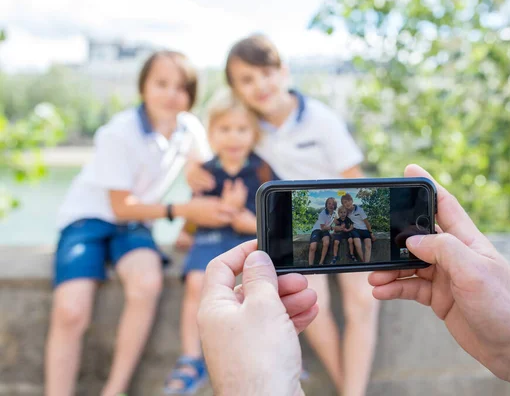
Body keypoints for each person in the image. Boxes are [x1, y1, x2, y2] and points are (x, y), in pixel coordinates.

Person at [196, 164, 510, 396]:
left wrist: (251, 388)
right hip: (330, 237)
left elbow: (362, 227)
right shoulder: (326, 213)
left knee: (356, 241)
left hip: (351, 236)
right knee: (330, 242)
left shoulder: (353, 212)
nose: (343, 203)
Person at [186, 34, 380, 395]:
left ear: (283, 72)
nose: (259, 85)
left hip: (345, 217)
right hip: (304, 232)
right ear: (236, 89)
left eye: (266, 73)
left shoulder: (320, 119)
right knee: (312, 300)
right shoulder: (250, 130)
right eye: (246, 79)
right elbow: (220, 146)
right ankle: (348, 389)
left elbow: (356, 180)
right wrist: (191, 166)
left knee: (363, 300)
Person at [44, 51, 224, 396]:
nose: (171, 94)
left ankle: (114, 390)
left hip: (135, 224)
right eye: (161, 84)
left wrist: (190, 226)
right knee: (70, 309)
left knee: (146, 284)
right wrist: (181, 211)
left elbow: (204, 178)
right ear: (143, 87)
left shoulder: (189, 128)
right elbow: (120, 206)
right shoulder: (119, 131)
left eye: (181, 87)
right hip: (88, 220)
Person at [163, 90, 277, 394]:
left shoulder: (262, 170)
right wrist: (188, 229)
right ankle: (190, 358)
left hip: (247, 238)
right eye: (224, 129)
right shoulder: (206, 172)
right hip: (210, 238)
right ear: (211, 133)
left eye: (241, 129)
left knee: (260, 285)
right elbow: (197, 205)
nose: (233, 137)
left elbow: (275, 217)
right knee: (196, 283)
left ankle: (273, 347)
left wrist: (244, 217)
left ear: (253, 134)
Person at [341, 193, 376, 263]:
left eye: (348, 201)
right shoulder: (346, 212)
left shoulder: (359, 210)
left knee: (368, 246)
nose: (347, 203)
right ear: (343, 205)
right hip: (355, 230)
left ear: (352, 200)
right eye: (345, 202)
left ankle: (367, 263)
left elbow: (367, 223)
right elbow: (340, 217)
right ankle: (364, 263)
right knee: (357, 245)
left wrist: (371, 233)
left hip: (365, 229)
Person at [308, 197, 337, 266]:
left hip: (325, 230)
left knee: (326, 243)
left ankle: (321, 263)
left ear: (335, 206)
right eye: (329, 203)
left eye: (333, 204)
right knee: (313, 247)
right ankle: (310, 265)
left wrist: (335, 231)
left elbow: (337, 222)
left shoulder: (334, 213)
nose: (331, 205)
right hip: (317, 229)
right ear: (326, 205)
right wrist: (332, 228)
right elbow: (322, 227)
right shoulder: (322, 213)